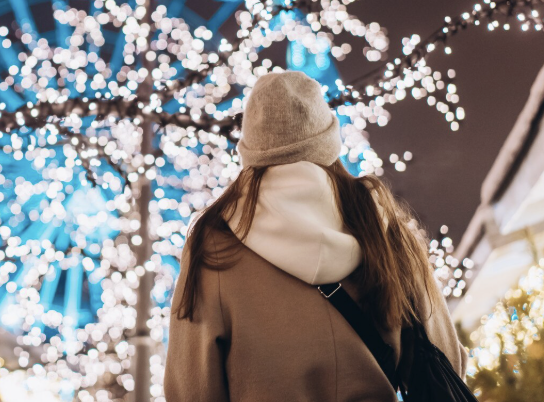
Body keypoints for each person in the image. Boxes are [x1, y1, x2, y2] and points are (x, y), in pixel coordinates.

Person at [164, 71, 467, 401]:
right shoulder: (383, 225)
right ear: (328, 140)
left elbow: (190, 388)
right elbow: (446, 358)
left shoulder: (215, 242)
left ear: (251, 148)